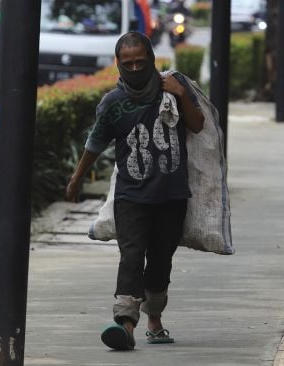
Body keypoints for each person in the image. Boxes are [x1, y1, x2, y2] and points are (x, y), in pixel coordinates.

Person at [65, 31, 204, 351]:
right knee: (131, 256)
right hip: (131, 196)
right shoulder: (113, 103)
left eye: (141, 62)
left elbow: (197, 126)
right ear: (118, 64)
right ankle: (125, 324)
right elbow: (95, 144)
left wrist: (182, 94)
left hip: (171, 196)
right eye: (128, 63)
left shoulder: (172, 91)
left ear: (153, 60)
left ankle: (154, 320)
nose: (135, 68)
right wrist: (77, 177)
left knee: (160, 261)